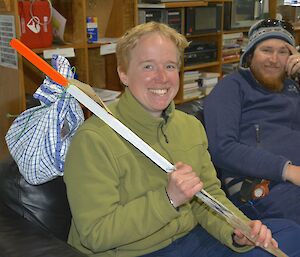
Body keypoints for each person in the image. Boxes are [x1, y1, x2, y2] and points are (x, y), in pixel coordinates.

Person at [64, 22, 300, 257]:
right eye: (148, 66)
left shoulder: (189, 127)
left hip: (190, 240)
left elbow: (209, 197)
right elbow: (95, 235)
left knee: (288, 234)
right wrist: (168, 199)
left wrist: (237, 230)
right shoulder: (93, 140)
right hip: (134, 251)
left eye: (169, 66)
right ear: (123, 73)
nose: (162, 77)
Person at [204, 18, 300, 225]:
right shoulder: (231, 88)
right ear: (250, 56)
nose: (274, 59)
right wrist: (288, 170)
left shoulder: (294, 86)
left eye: (282, 52)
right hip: (261, 186)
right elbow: (222, 148)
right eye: (266, 50)